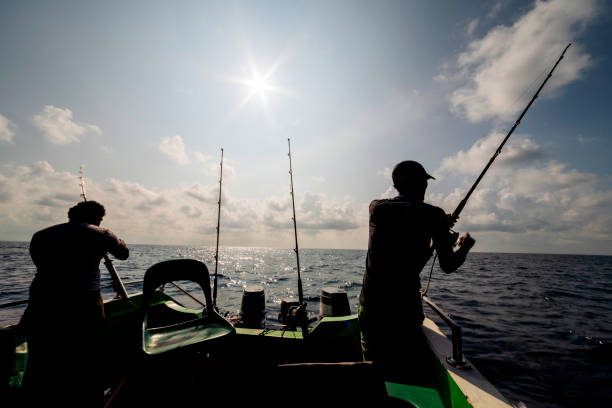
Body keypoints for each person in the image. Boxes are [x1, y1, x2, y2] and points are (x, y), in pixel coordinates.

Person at [358, 160, 475, 384]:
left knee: (372, 373)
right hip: (404, 311)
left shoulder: (377, 208)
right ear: (420, 184)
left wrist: (438, 226)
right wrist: (465, 246)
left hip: (372, 307)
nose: (426, 187)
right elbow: (448, 266)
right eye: (424, 181)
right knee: (404, 372)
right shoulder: (434, 215)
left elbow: (406, 229)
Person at [19, 201, 129, 406]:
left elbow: (38, 262)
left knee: (42, 354)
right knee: (87, 353)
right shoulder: (102, 233)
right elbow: (123, 253)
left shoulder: (41, 235)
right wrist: (118, 240)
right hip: (84, 303)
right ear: (97, 218)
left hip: (42, 301)